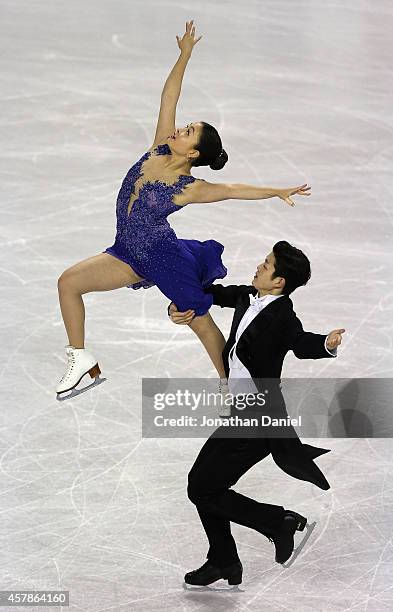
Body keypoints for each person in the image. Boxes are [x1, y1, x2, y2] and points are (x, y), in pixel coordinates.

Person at [56, 21, 311, 396]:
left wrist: (274, 191)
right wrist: (184, 55)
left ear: (192, 154)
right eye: (186, 126)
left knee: (201, 323)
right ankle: (81, 359)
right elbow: (168, 99)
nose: (180, 130)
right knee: (69, 283)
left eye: (188, 132)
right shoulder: (160, 146)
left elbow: (232, 189)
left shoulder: (189, 188)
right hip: (126, 252)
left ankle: (237, 389)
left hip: (162, 258)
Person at [167, 240, 345, 585]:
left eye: (266, 265)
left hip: (258, 416)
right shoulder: (248, 295)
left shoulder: (283, 316)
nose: (259, 266)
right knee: (204, 485)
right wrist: (181, 302)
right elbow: (214, 295)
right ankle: (224, 561)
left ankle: (279, 523)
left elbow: (300, 342)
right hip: (240, 412)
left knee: (202, 488)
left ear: (279, 281)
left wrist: (325, 343)